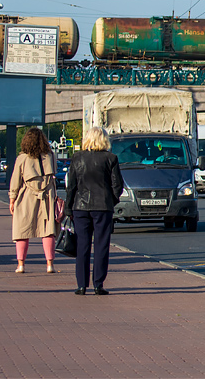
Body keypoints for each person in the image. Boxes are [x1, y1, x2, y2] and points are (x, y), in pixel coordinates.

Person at [66, 125, 124, 296]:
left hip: (80, 207)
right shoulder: (110, 158)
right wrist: (110, 201)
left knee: (82, 246)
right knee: (101, 246)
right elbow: (118, 186)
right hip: (103, 207)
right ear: (104, 140)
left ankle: (81, 285)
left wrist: (69, 207)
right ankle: (98, 284)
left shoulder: (77, 158)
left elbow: (72, 186)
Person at [8, 128, 60, 274]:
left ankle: (21, 265)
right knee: (48, 231)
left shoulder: (22, 159)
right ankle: (50, 265)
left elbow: (15, 181)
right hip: (47, 197)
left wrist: (12, 199)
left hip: (26, 197)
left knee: (22, 231)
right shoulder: (50, 156)